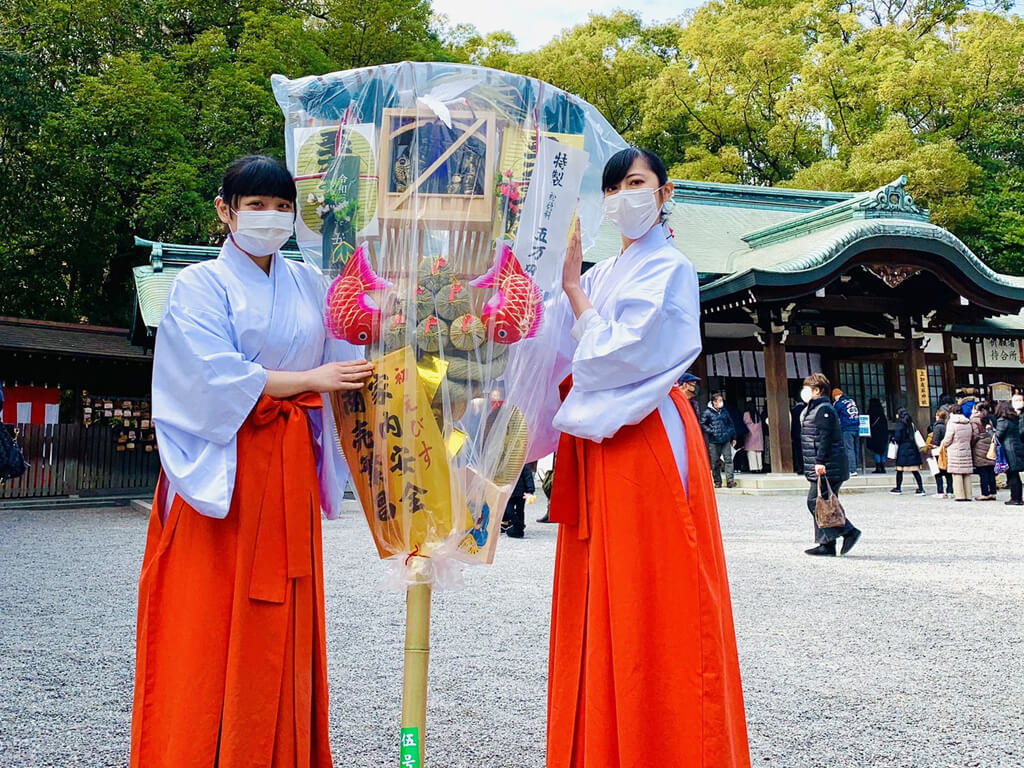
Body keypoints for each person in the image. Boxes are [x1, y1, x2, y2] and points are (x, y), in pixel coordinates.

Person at [130, 156, 373, 768]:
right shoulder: (198, 286)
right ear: (225, 210)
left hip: (288, 464)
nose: (270, 218)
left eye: (281, 206)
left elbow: (355, 345)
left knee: (279, 624)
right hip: (226, 469)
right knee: (208, 626)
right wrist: (308, 378)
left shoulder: (309, 283)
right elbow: (207, 378)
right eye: (255, 205)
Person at [522, 146, 749, 767]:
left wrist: (570, 290)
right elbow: (547, 346)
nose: (625, 196)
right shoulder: (600, 275)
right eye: (614, 188)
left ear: (665, 191)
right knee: (601, 586)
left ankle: (665, 739)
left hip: (645, 434)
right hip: (598, 445)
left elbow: (620, 354)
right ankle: (606, 738)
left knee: (651, 588)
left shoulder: (670, 268)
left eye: (637, 183)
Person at [800, 373, 860, 556]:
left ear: (817, 390)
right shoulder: (813, 408)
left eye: (808, 388)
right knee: (821, 502)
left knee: (815, 502)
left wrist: (819, 461)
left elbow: (825, 438)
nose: (804, 392)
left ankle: (849, 531)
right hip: (822, 464)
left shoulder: (824, 409)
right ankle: (826, 544)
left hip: (829, 465)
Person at [702, 392, 738, 488]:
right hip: (714, 440)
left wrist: (733, 436)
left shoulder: (725, 412)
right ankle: (717, 481)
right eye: (719, 400)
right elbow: (702, 424)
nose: (721, 402)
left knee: (728, 460)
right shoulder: (707, 412)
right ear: (714, 402)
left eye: (722, 400)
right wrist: (711, 431)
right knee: (715, 462)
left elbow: (731, 424)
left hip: (725, 439)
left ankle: (730, 481)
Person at [940, 403, 975, 501]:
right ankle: (968, 495)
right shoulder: (968, 422)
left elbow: (948, 439)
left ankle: (960, 495)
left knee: (957, 473)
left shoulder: (952, 423)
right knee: (966, 473)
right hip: (966, 449)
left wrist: (944, 445)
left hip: (955, 450)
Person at [994, 400, 1023, 506]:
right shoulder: (1014, 419)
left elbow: (998, 435)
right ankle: (1018, 498)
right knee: (1015, 475)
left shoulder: (1002, 420)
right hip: (1016, 448)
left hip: (1009, 450)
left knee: (1012, 475)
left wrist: (990, 431)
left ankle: (1015, 498)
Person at [890, 408, 925, 495]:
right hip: (912, 447)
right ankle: (921, 488)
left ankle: (898, 488)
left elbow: (897, 438)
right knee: (915, 470)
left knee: (899, 470)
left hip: (903, 448)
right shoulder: (911, 424)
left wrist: (893, 438)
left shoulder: (900, 424)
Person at [970, 404, 997, 501]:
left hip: (979, 447)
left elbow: (975, 435)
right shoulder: (988, 419)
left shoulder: (973, 421)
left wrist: (972, 444)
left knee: (983, 472)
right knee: (991, 470)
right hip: (989, 446)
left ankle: (985, 493)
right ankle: (993, 492)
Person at [502, 462, 536, 538]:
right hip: (509, 492)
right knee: (509, 511)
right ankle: (519, 526)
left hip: (521, 493)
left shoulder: (523, 464)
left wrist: (530, 491)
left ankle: (519, 531)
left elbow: (528, 477)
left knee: (520, 511)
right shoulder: (506, 463)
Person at [832, 387, 861, 476]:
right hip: (856, 427)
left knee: (849, 449)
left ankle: (852, 469)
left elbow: (834, 415)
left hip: (847, 428)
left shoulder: (839, 403)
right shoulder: (851, 401)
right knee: (855, 448)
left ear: (836, 396)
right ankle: (856, 466)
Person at [930, 409, 952, 498]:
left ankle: (940, 491)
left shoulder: (937, 427)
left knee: (938, 472)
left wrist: (932, 445)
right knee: (948, 473)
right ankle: (950, 491)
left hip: (938, 451)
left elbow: (935, 440)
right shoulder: (948, 425)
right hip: (947, 451)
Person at [867, 397, 888, 473]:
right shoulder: (882, 413)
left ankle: (878, 467)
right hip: (883, 434)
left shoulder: (870, 413)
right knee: (882, 450)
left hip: (874, 434)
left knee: (876, 451)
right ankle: (883, 467)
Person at [742, 403, 764, 472]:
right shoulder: (757, 414)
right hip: (758, 435)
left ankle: (753, 468)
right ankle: (759, 467)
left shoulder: (746, 414)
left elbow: (744, 423)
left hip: (750, 435)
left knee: (751, 452)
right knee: (758, 452)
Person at [790, 399, 806, 475]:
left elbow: (791, 423)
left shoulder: (794, 411)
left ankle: (800, 467)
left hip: (796, 434)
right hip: (806, 433)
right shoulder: (806, 409)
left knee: (799, 452)